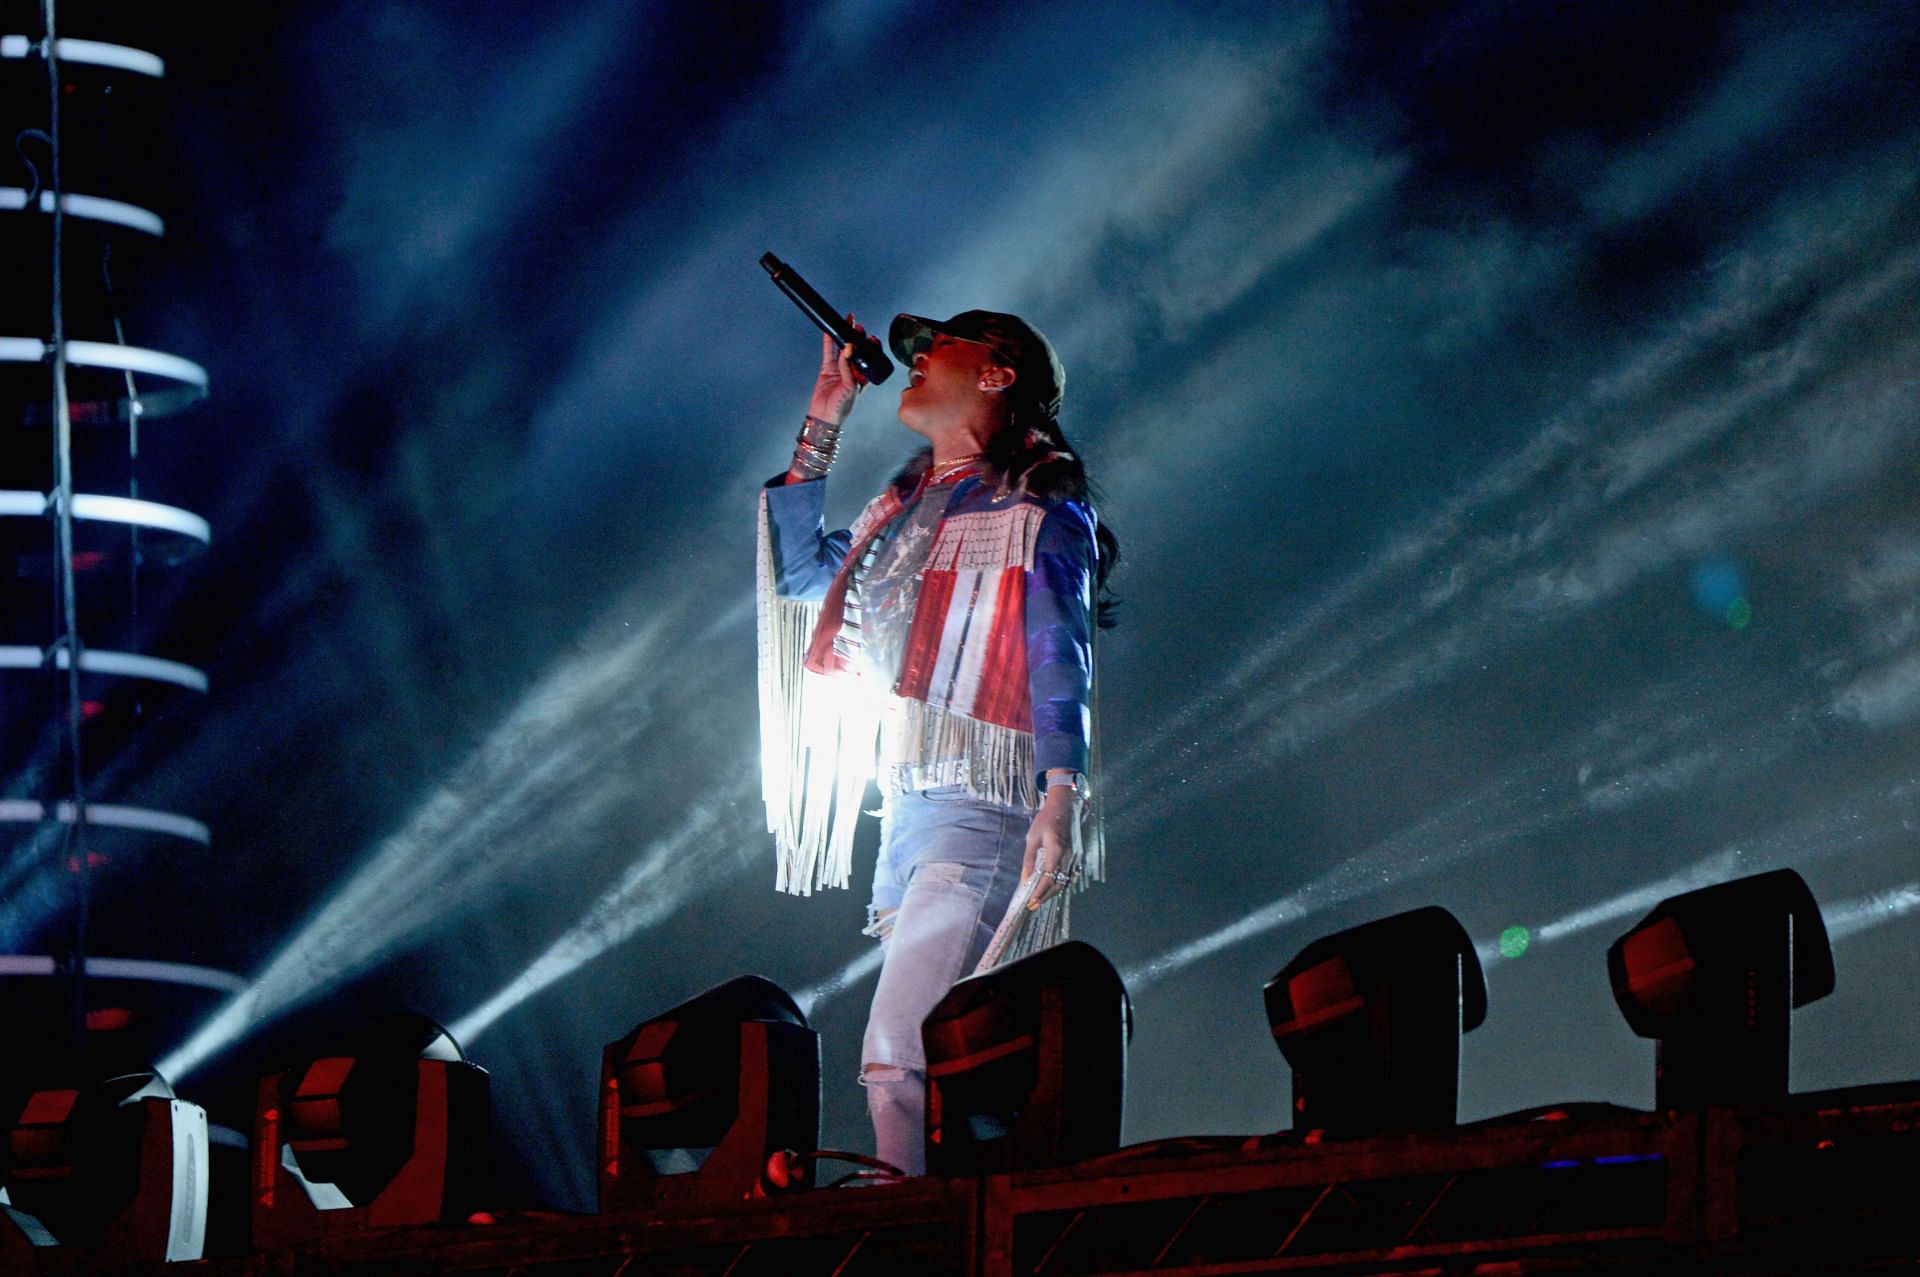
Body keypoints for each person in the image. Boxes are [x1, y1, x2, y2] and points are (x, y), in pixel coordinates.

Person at [755, 309, 1115, 1176]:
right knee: (921, 1047)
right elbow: (802, 570)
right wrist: (825, 415)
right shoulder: (902, 511)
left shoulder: (1040, 509)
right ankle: (925, 1205)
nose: (913, 361)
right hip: (911, 804)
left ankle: (905, 1224)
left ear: (995, 374)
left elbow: (1058, 648)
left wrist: (1061, 791)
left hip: (980, 804)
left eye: (935, 348)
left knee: (897, 1040)